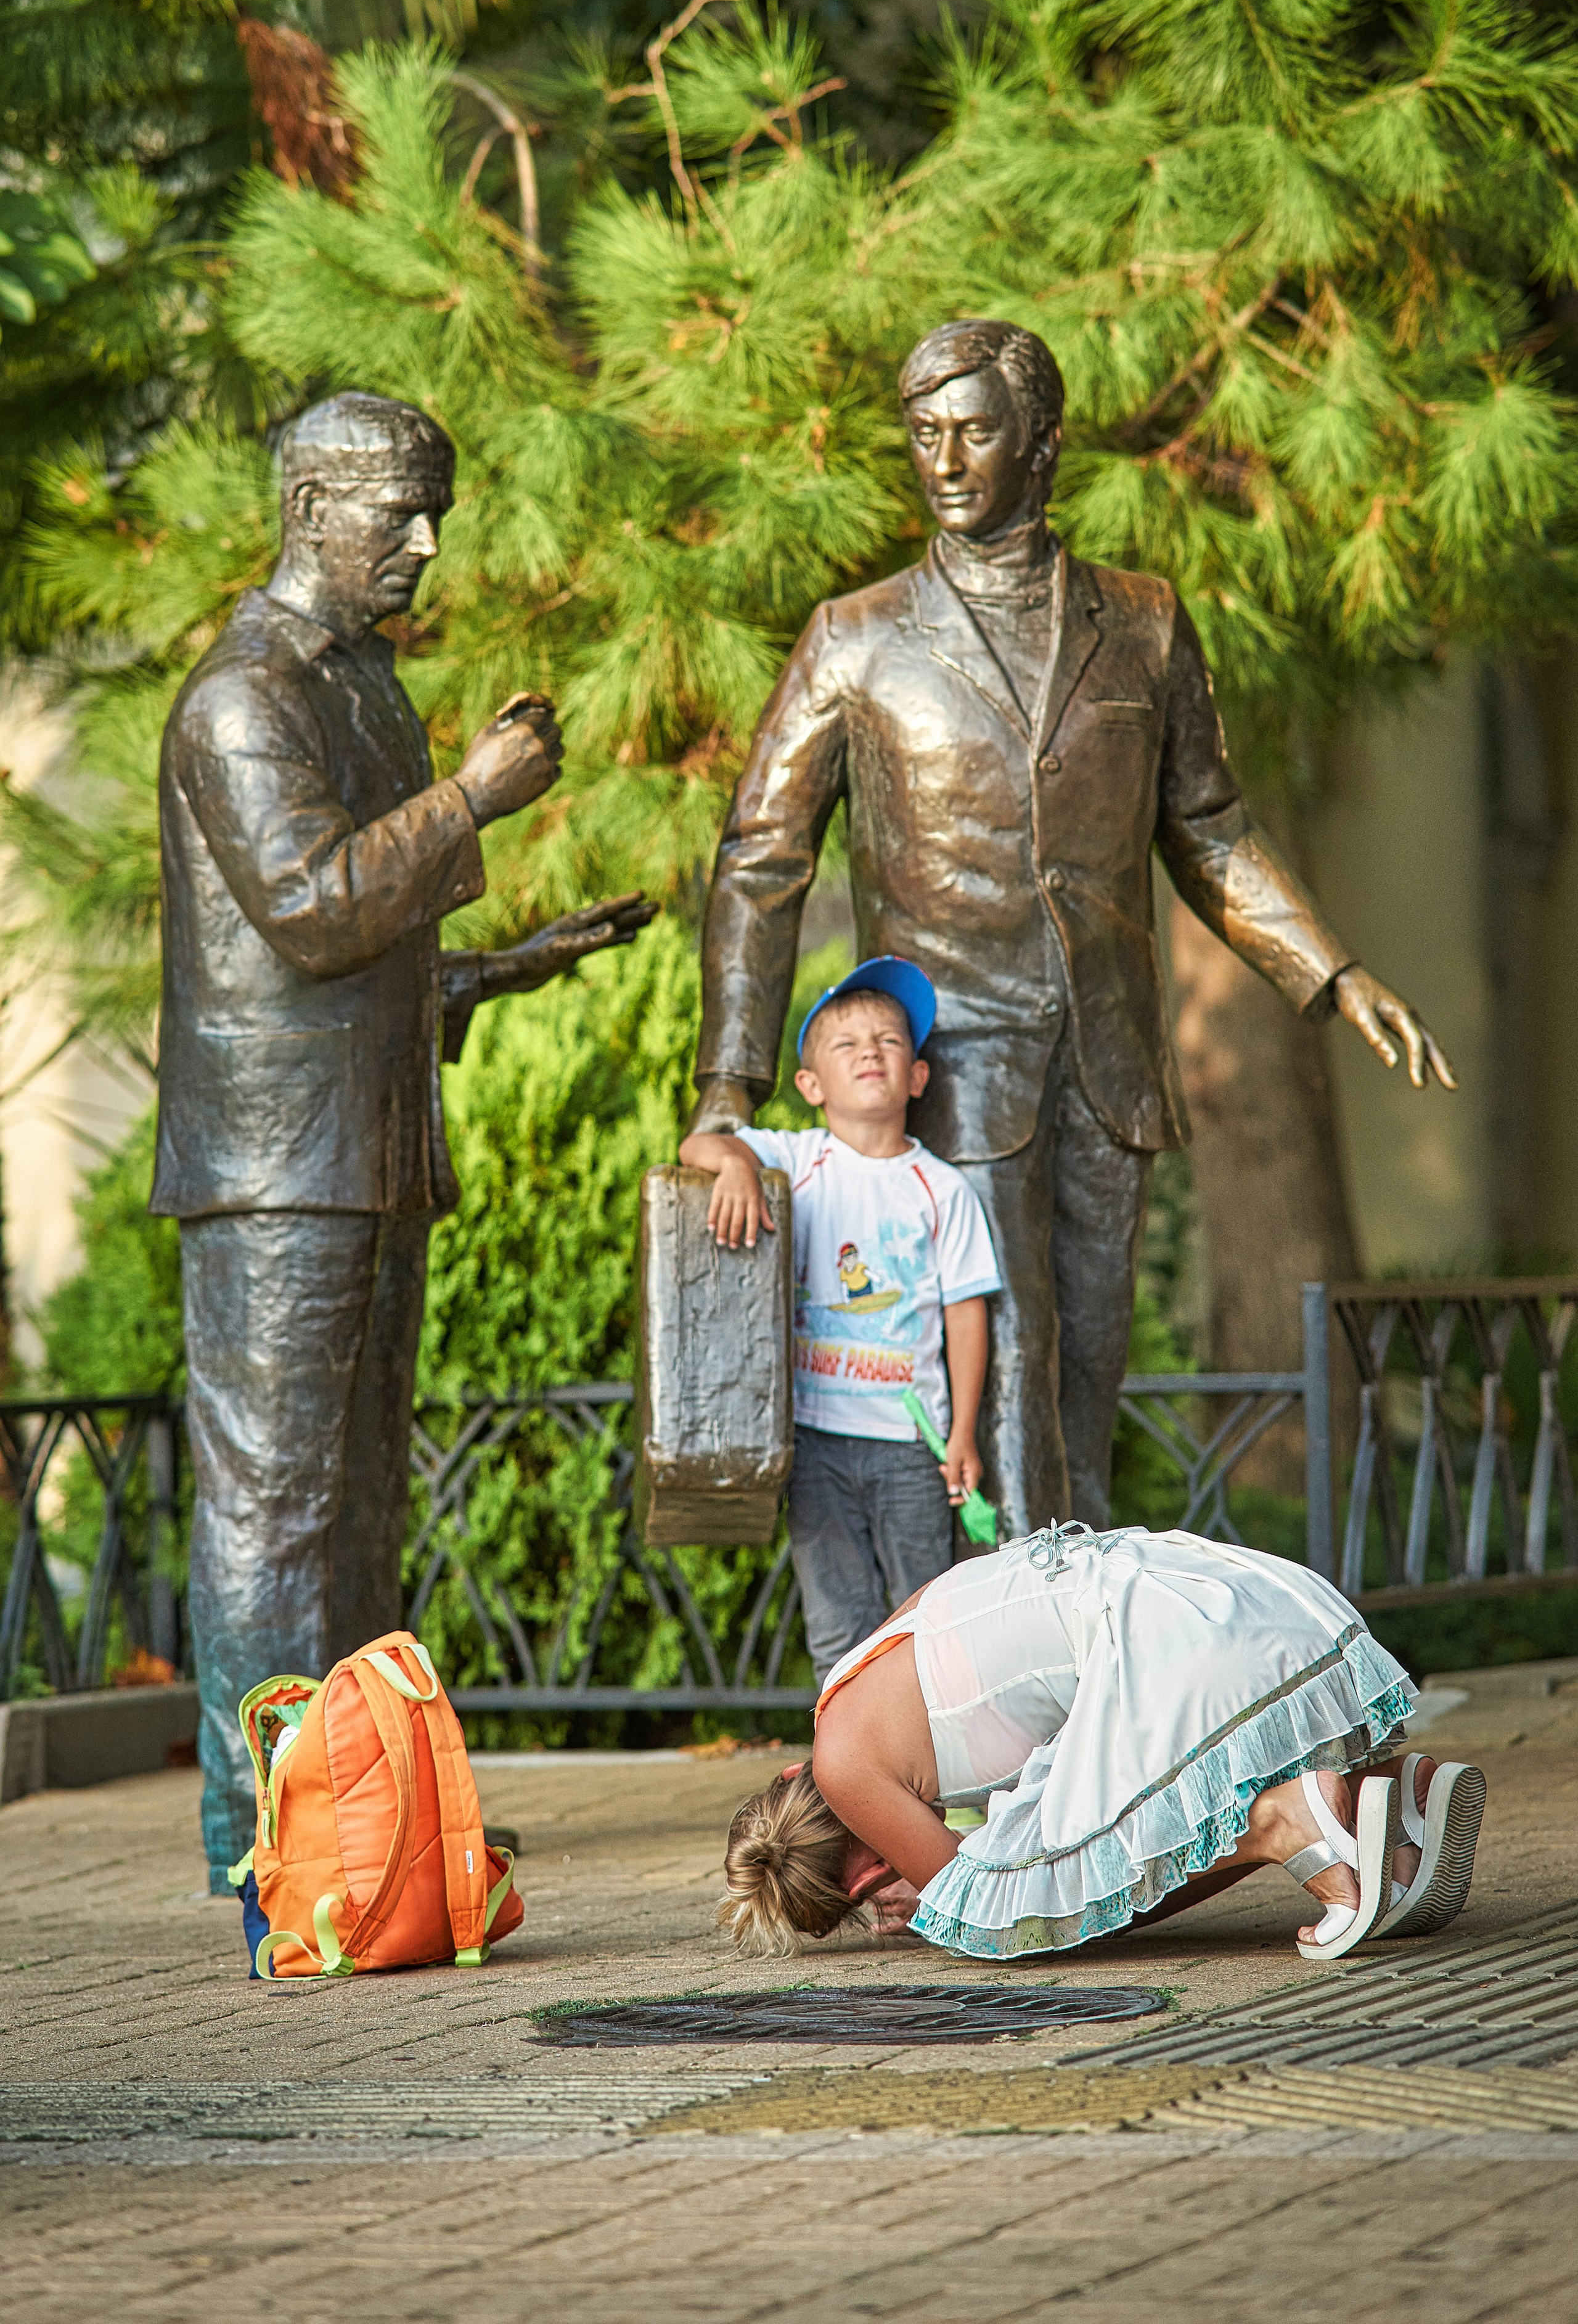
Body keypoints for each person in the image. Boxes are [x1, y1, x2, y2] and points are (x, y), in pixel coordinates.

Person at [688, 319, 1455, 1537]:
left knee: (1084, 1377)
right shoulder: (856, 637)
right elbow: (759, 861)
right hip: (951, 1061)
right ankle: (1020, 1655)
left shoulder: (1141, 622)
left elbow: (1205, 825)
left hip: (1104, 1061)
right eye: (922, 435)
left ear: (1041, 447)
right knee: (1004, 1357)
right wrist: (726, 1089)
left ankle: (1073, 1649)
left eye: (973, 433)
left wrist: (1332, 971)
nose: (941, 461)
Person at [154, 390, 655, 1886]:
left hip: (366, 1149)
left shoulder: (365, 690)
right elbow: (313, 910)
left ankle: (362, 1819)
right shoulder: (239, 698)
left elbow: (375, 947)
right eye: (401, 513)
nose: (427, 543)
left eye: (434, 510)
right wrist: (478, 795)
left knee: (357, 1507)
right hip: (272, 1174)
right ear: (311, 509)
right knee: (273, 1506)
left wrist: (511, 963)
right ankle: (266, 1840)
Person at [717, 1527, 1487, 1961]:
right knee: (1095, 1826)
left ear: (866, 1877)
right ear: (788, 1775)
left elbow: (1009, 1903)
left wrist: (933, 1902)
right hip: (1232, 1595)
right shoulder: (866, 1668)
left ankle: (1282, 1825)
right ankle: (1383, 1805)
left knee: (1012, 1920)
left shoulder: (845, 1766)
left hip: (1165, 1649)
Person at [679, 956, 1001, 1683]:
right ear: (811, 1086)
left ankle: (938, 1786)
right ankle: (846, 1787)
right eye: (847, 1045)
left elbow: (965, 1314)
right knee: (837, 1628)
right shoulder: (793, 1162)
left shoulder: (941, 1190)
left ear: (916, 1077)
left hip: (909, 1446)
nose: (870, 1054)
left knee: (926, 1623)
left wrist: (962, 1433)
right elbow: (696, 1144)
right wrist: (733, 1165)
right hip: (816, 1440)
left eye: (889, 1042)